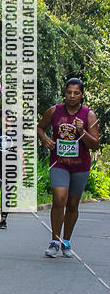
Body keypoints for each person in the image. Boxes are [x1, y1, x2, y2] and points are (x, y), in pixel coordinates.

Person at [37, 78, 99, 258]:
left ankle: (66, 242)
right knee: (59, 199)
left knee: (72, 204)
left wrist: (82, 131)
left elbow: (95, 145)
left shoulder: (89, 115)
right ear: (64, 93)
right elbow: (40, 128)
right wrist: (45, 139)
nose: (72, 96)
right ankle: (55, 242)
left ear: (81, 95)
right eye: (69, 92)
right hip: (59, 163)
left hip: (80, 166)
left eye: (76, 93)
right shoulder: (54, 111)